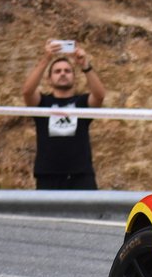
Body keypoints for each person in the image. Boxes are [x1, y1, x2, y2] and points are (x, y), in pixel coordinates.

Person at [22, 40, 105, 189]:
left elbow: (99, 95)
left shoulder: (82, 102)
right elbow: (27, 92)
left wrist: (84, 64)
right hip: (48, 175)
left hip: (81, 175)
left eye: (67, 71)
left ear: (74, 77)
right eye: (57, 71)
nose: (62, 74)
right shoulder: (42, 103)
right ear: (49, 79)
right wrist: (46, 59)